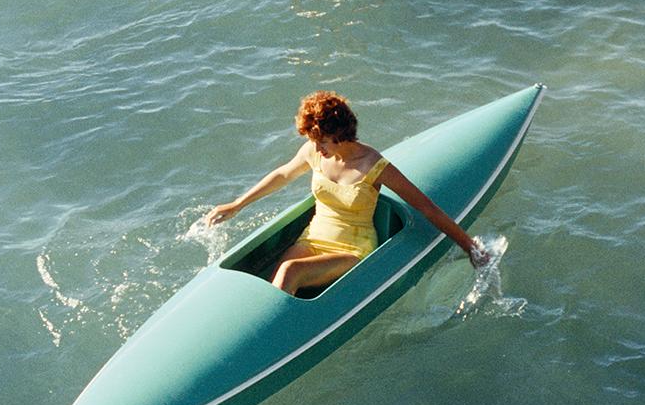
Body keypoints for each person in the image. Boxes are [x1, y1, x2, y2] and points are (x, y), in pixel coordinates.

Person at [205, 91, 488, 296]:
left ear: (340, 134)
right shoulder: (314, 152)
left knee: (290, 272)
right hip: (313, 239)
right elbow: (283, 174)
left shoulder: (372, 166)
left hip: (353, 250)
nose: (317, 149)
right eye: (313, 142)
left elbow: (427, 209)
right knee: (274, 283)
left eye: (322, 141)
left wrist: (471, 248)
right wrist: (237, 204)